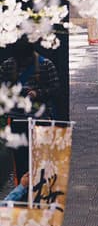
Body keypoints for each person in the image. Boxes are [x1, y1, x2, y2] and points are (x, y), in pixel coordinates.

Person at [0, 39, 61, 181]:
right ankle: (23, 186)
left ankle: (38, 186)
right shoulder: (8, 65)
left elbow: (55, 88)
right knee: (20, 159)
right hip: (16, 119)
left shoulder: (45, 65)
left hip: (40, 118)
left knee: (41, 157)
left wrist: (37, 93)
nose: (23, 61)